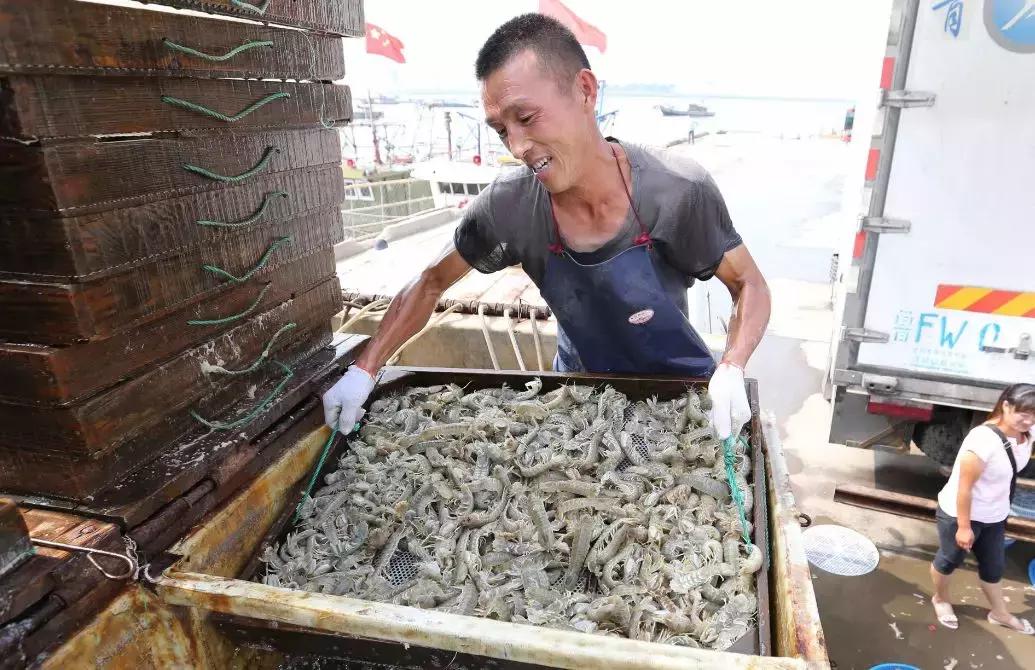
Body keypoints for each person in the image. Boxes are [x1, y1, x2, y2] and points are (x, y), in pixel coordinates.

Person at [323, 14, 770, 442]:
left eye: (527, 118)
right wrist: (364, 370)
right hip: (576, 395)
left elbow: (748, 283)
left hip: (680, 393)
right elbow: (430, 281)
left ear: (585, 91)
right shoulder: (509, 205)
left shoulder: (676, 191)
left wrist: (731, 367)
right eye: (501, 130)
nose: (516, 146)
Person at [930, 383, 1035, 634]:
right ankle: (940, 599)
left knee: (994, 566)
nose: (1029, 420)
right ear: (1005, 406)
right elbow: (963, 489)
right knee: (948, 561)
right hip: (961, 516)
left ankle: (1000, 613)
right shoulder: (982, 440)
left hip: (995, 516)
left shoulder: (1028, 431)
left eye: (1034, 414)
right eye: (1024, 413)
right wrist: (964, 528)